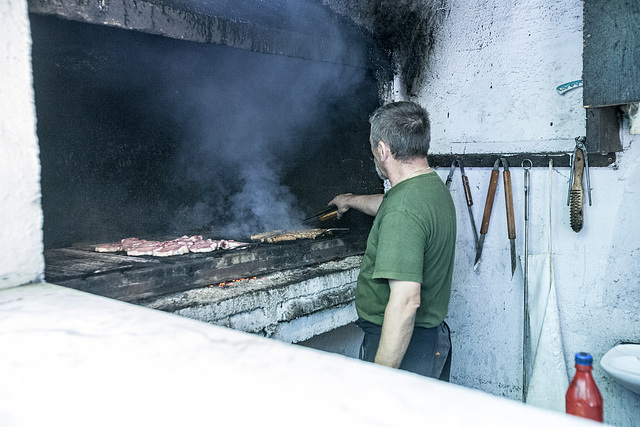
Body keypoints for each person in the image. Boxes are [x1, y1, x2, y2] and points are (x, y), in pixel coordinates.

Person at [328, 101, 456, 380]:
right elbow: (389, 203)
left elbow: (406, 301)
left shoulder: (403, 212)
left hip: (406, 347)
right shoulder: (429, 188)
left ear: (383, 150)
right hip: (430, 339)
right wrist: (349, 201)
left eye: (374, 149)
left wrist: (382, 379)